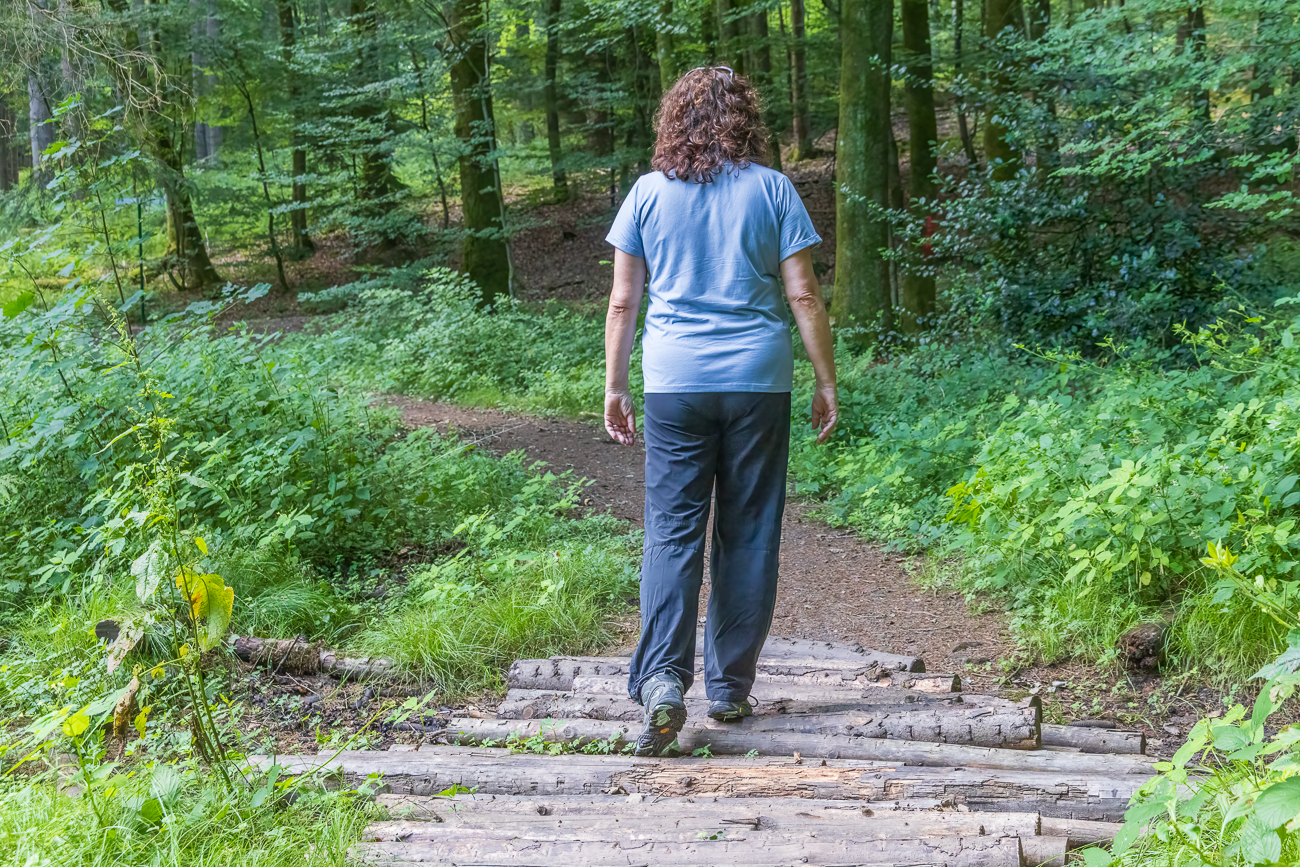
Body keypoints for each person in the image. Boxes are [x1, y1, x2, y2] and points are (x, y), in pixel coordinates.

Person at [603, 66, 838, 757]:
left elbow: (623, 301)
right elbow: (804, 296)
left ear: (673, 119)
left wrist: (614, 386)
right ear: (744, 118)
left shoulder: (647, 194)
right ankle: (730, 685)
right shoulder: (773, 189)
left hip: (674, 381)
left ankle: (663, 682)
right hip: (757, 381)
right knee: (749, 531)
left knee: (672, 532)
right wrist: (827, 381)